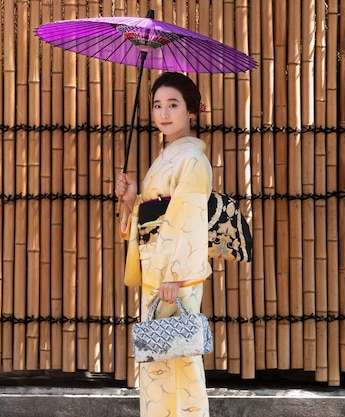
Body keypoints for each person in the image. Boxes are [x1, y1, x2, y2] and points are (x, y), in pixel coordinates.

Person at [115, 72, 213, 416]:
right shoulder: (168, 155)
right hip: (155, 264)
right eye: (158, 105)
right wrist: (132, 200)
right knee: (158, 359)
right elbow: (154, 212)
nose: (164, 113)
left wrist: (176, 273)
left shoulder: (192, 159)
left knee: (180, 357)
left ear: (192, 111)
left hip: (174, 272)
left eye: (173, 104)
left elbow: (188, 216)